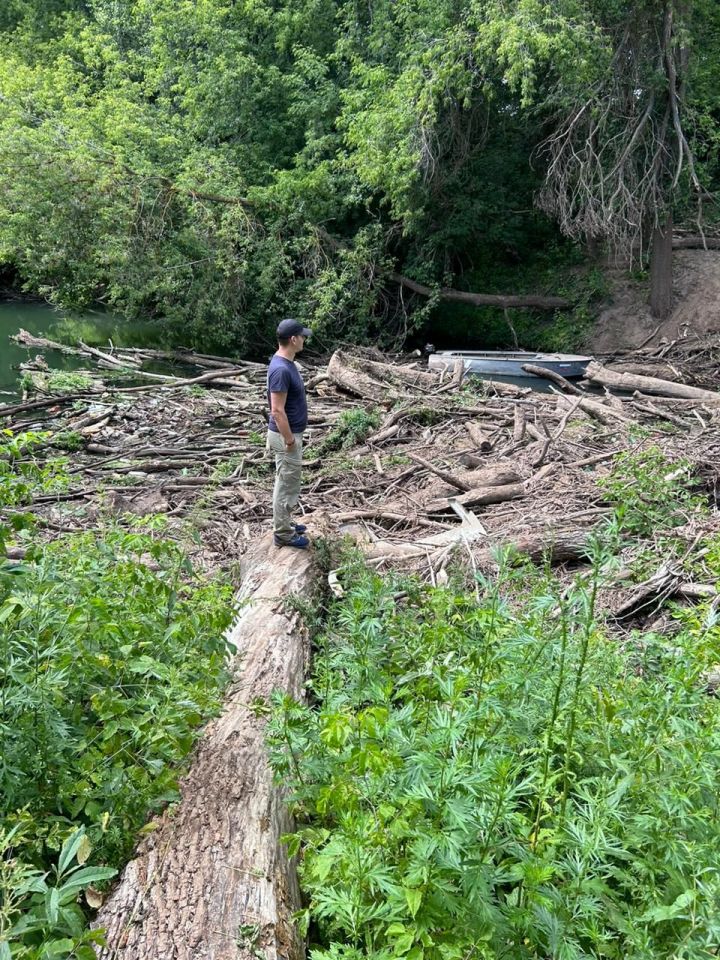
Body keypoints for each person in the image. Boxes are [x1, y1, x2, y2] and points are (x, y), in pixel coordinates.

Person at [266, 318, 312, 548]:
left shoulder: (285, 363)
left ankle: (285, 523)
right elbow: (276, 410)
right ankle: (283, 534)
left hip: (288, 435)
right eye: (302, 336)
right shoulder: (281, 369)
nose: (305, 339)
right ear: (293, 340)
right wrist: (290, 440)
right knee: (286, 485)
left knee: (286, 482)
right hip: (286, 437)